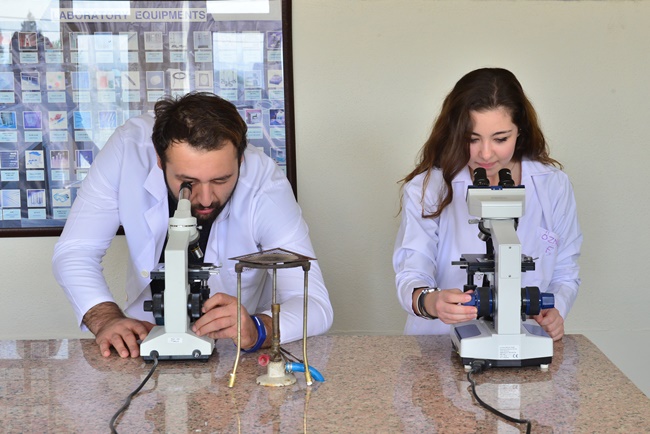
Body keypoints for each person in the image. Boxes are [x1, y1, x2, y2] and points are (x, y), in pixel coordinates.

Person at [52, 92, 333, 358]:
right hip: (142, 339)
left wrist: (259, 328)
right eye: (188, 182)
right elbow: (76, 251)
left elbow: (314, 304)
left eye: (221, 180)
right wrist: (106, 319)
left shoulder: (264, 184)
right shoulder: (129, 149)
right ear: (160, 160)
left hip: (230, 351)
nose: (206, 198)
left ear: (240, 159)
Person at [393, 68, 582, 341]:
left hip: (525, 336)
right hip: (436, 342)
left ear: (520, 131)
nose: (485, 153)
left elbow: (565, 270)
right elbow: (412, 271)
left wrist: (555, 310)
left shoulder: (553, 185)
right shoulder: (428, 188)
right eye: (472, 139)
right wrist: (431, 302)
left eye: (500, 139)